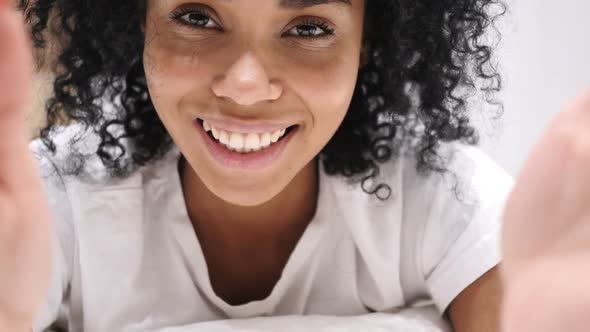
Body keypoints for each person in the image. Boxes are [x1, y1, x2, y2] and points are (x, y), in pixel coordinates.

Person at [0, 0, 527, 330]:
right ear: (139, 20)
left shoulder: (448, 200)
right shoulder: (55, 195)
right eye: (196, 18)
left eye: (308, 28)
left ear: (370, 37)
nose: (246, 86)